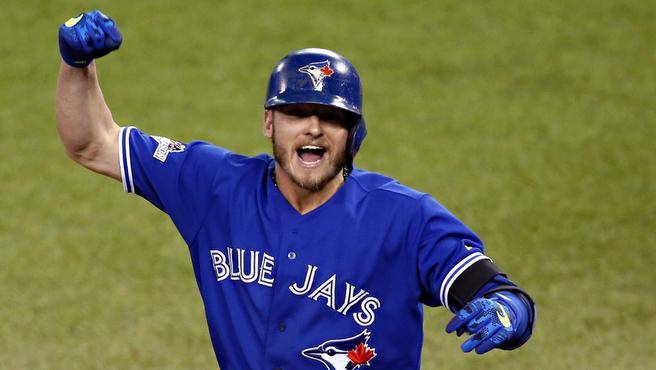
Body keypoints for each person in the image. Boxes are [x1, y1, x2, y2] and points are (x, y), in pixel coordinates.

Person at [56, 10, 536, 370]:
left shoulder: (406, 219)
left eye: (332, 117)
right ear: (269, 122)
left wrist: (508, 312)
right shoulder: (214, 186)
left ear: (354, 135)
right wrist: (77, 64)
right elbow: (92, 143)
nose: (313, 128)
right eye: (296, 113)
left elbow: (496, 291)